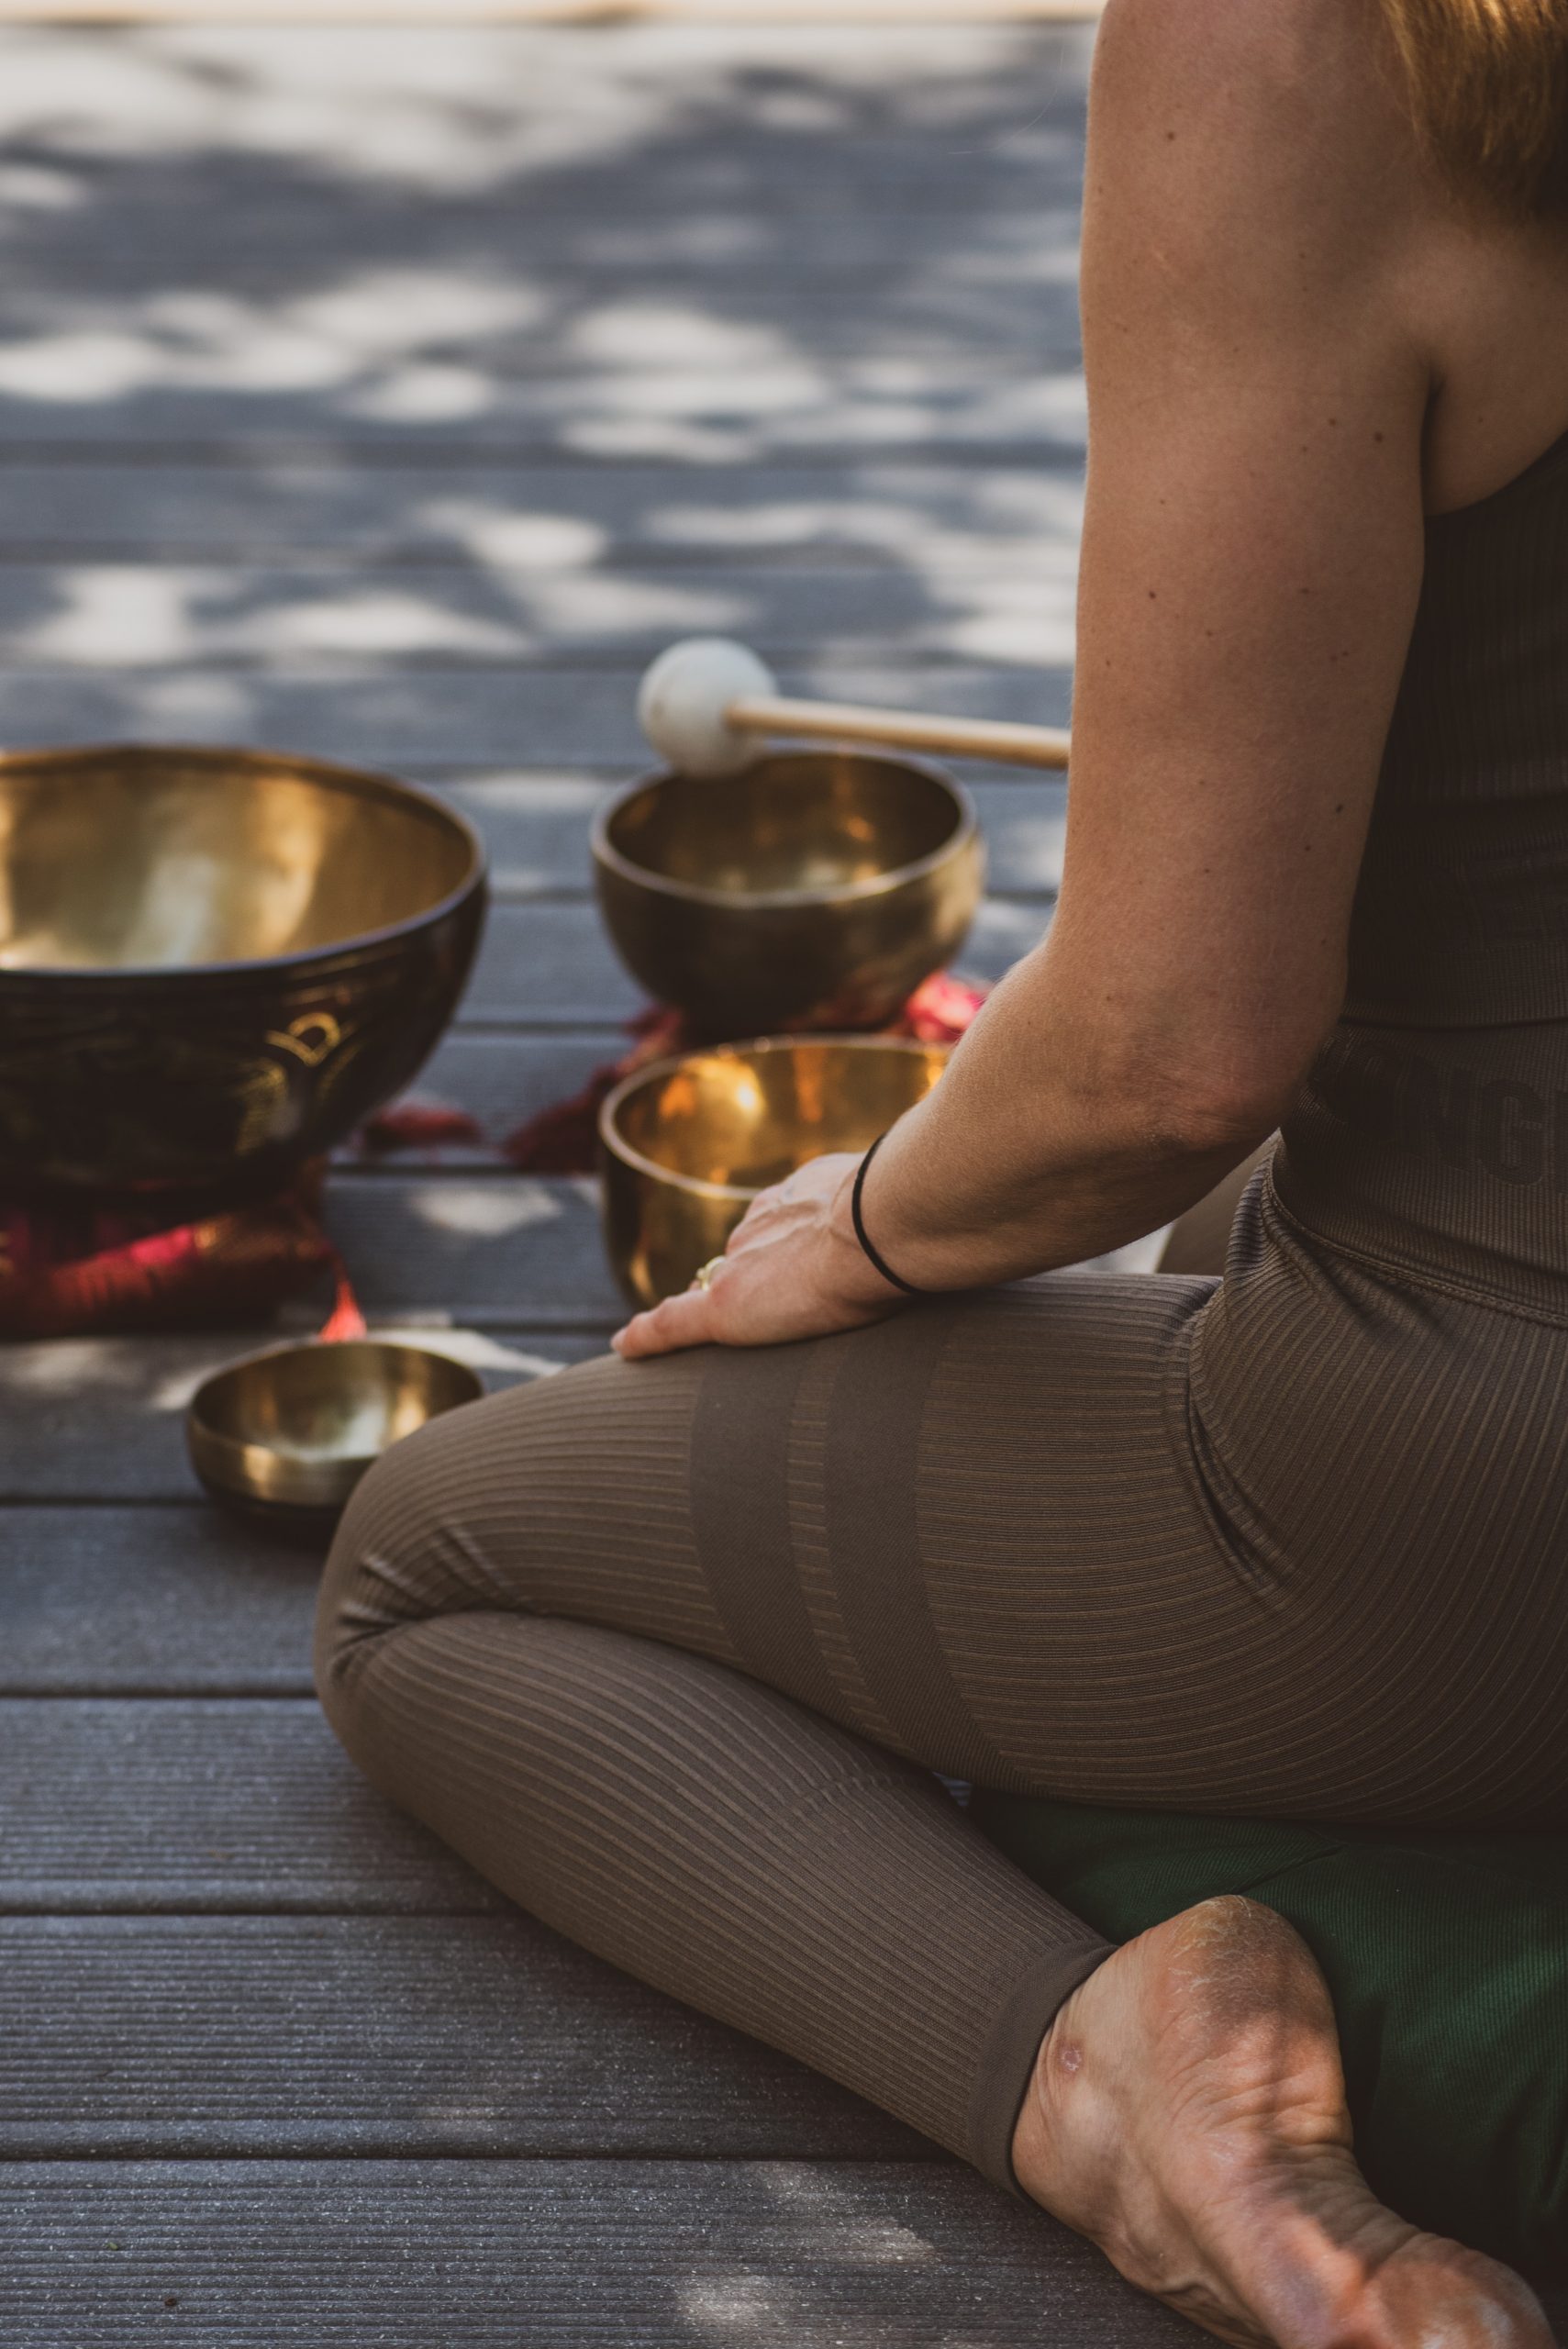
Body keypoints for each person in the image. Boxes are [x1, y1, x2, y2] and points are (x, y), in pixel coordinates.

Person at [315, 1, 1568, 2337]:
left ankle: (1108, 2090)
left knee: (437, 1567)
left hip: (1492, 1483)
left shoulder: (1304, 47)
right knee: (1226, 1244)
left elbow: (1171, 1054)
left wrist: (881, 1217)